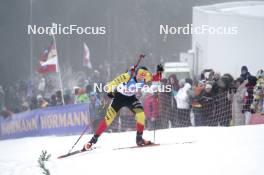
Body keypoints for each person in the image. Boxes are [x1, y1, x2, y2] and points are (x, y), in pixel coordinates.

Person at [82, 64, 163, 151]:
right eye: (139, 76)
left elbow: (158, 78)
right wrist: (110, 92)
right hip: (119, 98)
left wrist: (160, 71)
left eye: (142, 77)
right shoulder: (127, 76)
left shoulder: (146, 76)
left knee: (141, 115)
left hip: (130, 98)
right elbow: (111, 84)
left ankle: (139, 139)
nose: (140, 79)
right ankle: (92, 141)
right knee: (108, 119)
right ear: (135, 73)